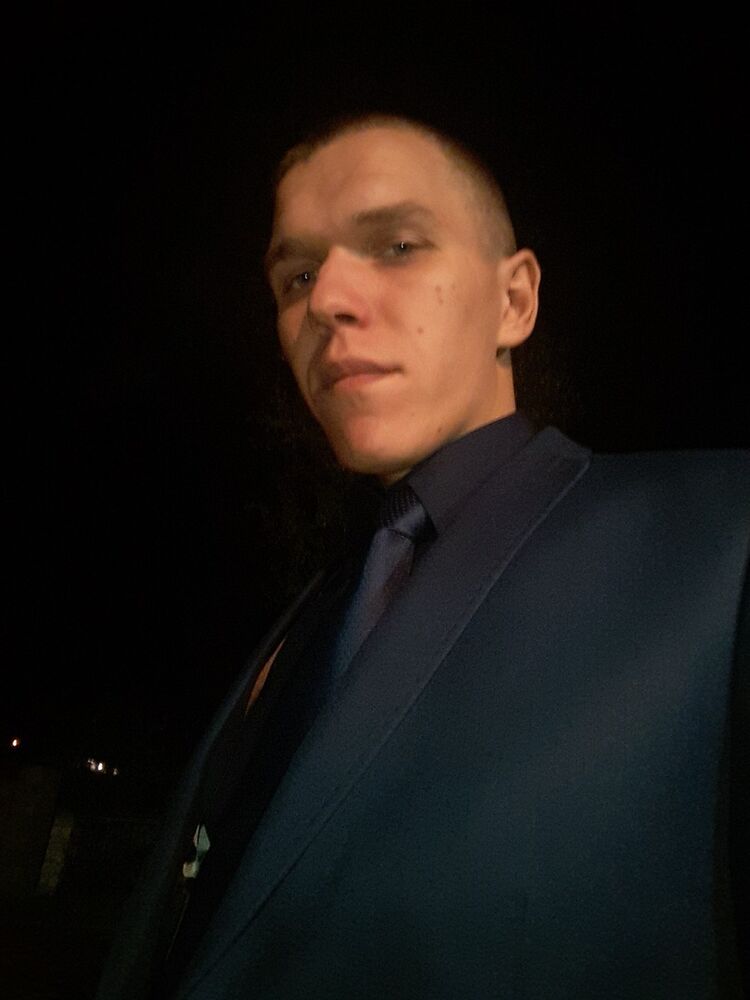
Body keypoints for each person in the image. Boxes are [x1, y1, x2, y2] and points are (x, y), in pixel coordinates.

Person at [96, 112, 749, 999]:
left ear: (514, 302)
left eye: (397, 246)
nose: (325, 300)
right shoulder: (313, 612)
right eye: (296, 275)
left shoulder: (721, 537)